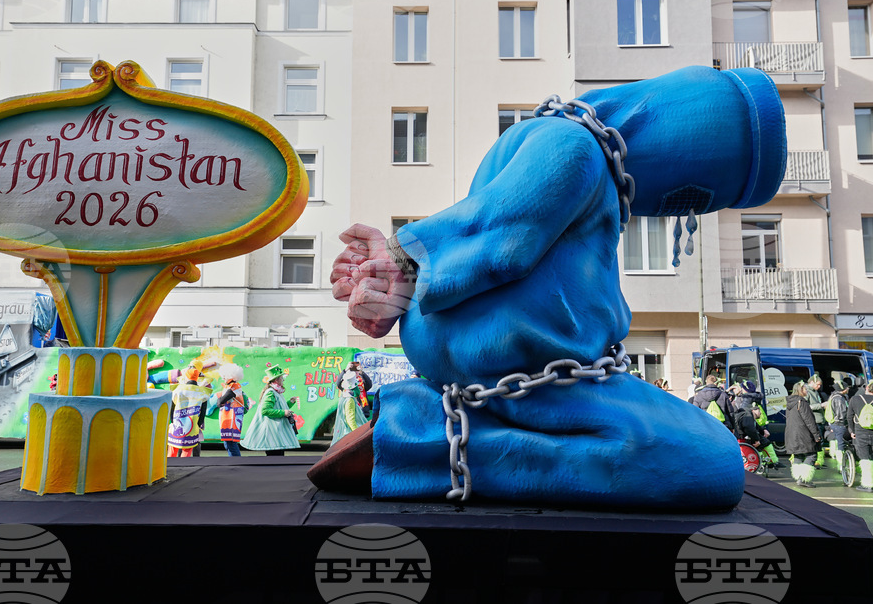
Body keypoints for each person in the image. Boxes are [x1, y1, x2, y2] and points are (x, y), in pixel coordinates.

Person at [310, 66, 784, 507]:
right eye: (702, 193)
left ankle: (441, 431)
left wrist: (400, 270)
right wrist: (399, 260)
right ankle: (420, 439)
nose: (687, 205)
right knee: (709, 460)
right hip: (527, 375)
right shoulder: (572, 145)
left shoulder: (583, 159)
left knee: (692, 448)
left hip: (533, 369)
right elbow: (498, 237)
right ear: (696, 133)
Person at [241, 365, 300, 456]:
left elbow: (279, 407)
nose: (283, 380)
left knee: (278, 456)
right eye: (281, 378)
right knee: (275, 457)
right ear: (276, 380)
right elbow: (265, 410)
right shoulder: (271, 392)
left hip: (276, 433)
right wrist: (284, 413)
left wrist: (290, 402)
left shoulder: (277, 392)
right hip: (272, 434)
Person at [166, 365, 213, 457]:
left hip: (176, 424)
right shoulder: (203, 392)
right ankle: (183, 469)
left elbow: (172, 408)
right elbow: (203, 412)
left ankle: (169, 468)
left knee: (172, 449)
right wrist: (198, 425)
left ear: (186, 376)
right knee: (187, 451)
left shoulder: (177, 389)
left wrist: (172, 422)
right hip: (192, 426)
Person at [785, 381, 822, 488]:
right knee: (811, 454)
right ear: (801, 390)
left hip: (792, 433)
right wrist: (816, 435)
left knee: (798, 455)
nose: (807, 391)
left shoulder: (790, 403)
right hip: (803, 433)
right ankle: (804, 479)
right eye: (805, 389)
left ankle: (799, 478)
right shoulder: (802, 402)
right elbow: (809, 420)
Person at [332, 362, 372, 445]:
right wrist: (345, 370)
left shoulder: (361, 381)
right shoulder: (348, 396)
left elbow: (369, 385)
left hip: (362, 410)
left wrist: (362, 372)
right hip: (353, 427)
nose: (355, 372)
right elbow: (338, 383)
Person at [214, 363, 248, 457]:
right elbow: (219, 401)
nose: (223, 377)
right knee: (227, 443)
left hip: (233, 419)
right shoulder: (228, 387)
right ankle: (234, 462)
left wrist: (220, 401)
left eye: (224, 375)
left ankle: (237, 463)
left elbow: (223, 399)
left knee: (231, 443)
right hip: (227, 418)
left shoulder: (235, 386)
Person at [847, 378, 873, 493]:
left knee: (865, 459)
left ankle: (868, 484)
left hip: (860, 433)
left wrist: (852, 431)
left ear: (867, 388)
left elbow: (849, 416)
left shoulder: (855, 399)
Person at [827, 379, 851, 472]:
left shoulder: (834, 396)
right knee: (841, 444)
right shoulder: (839, 398)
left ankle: (841, 464)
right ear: (843, 389)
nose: (848, 389)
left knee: (839, 443)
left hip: (835, 424)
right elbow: (841, 413)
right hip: (840, 424)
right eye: (847, 387)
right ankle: (841, 465)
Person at [806, 374, 829, 468]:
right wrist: (821, 405)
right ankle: (816, 461)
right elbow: (806, 407)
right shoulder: (807, 392)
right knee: (817, 441)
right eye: (818, 384)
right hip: (814, 420)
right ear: (811, 382)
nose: (819, 387)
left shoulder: (815, 391)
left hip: (819, 420)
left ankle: (818, 461)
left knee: (819, 442)